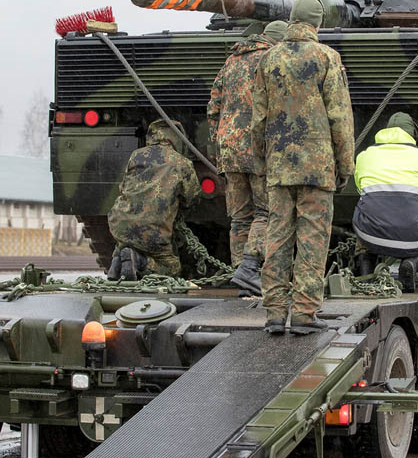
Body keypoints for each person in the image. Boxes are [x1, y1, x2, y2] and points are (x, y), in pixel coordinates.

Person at [252, 0, 354, 335]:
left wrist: (261, 161)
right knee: (312, 237)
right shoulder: (327, 57)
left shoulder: (269, 59)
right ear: (318, 23)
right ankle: (305, 312)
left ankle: (274, 313)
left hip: (279, 166)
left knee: (278, 237)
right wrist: (345, 165)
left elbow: (258, 118)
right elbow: (339, 117)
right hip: (316, 166)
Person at [207, 20, 288, 293]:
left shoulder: (232, 61)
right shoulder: (272, 60)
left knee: (241, 217)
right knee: (266, 212)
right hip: (258, 148)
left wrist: (218, 141)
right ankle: (250, 269)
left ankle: (242, 278)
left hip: (229, 148)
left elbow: (214, 105)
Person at [107, 119, 201, 280]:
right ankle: (141, 262)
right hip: (153, 231)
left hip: (119, 224)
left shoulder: (136, 156)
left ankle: (118, 261)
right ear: (177, 138)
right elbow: (193, 198)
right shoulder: (182, 163)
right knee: (171, 268)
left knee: (127, 241)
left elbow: (123, 188)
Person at [352, 112, 418, 292]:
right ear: (412, 134)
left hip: (370, 235)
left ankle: (366, 271)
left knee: (365, 210)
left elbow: (361, 190)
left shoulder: (365, 155)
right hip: (412, 239)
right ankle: (413, 263)